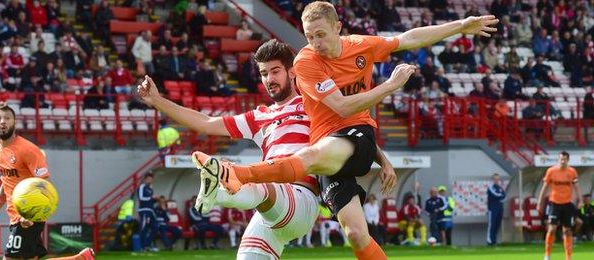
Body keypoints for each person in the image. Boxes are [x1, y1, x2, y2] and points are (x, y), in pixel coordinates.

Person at [190, 2, 497, 258]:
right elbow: (341, 106)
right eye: (310, 36)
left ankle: (237, 175)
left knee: (308, 156)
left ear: (338, 28)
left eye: (321, 34)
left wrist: (461, 25)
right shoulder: (307, 62)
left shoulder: (361, 46)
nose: (315, 43)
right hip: (331, 151)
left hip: (356, 135)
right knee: (355, 233)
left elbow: (409, 38)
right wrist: (390, 86)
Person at [139, 39, 395, 259]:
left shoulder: (316, 104)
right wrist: (158, 101)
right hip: (266, 208)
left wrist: (383, 161)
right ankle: (221, 185)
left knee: (254, 181)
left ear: (292, 72)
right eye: (264, 73)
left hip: (300, 198)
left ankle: (220, 187)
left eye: (275, 71)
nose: (269, 79)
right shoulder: (259, 117)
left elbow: (354, 129)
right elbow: (206, 123)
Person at [0, 102, 94, 259]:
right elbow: (6, 181)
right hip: (16, 216)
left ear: (14, 122)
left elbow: (45, 185)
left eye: (7, 118)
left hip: (28, 216)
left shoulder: (28, 149)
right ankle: (80, 258)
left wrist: (30, 215)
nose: (3, 121)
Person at [536, 151, 584, 260]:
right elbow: (544, 187)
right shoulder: (551, 171)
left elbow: (577, 187)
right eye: (561, 159)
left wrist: (580, 200)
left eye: (565, 159)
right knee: (552, 228)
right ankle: (547, 255)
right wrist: (540, 203)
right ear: (558, 159)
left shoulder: (572, 171)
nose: (562, 161)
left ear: (568, 160)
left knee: (567, 230)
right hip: (554, 203)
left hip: (567, 204)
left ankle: (568, 257)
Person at [138, 172, 159, 251]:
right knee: (143, 228)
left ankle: (148, 244)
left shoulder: (150, 189)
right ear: (145, 179)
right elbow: (141, 198)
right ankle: (142, 247)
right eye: (148, 179)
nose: (150, 180)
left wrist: (156, 199)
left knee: (155, 227)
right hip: (144, 210)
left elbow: (150, 201)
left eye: (151, 179)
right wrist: (151, 197)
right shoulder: (142, 187)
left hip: (151, 210)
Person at [486, 173, 505, 246]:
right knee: (492, 224)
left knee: (497, 224)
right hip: (493, 208)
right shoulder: (491, 187)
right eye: (495, 179)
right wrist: (501, 195)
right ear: (493, 180)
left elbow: (504, 195)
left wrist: (501, 195)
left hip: (500, 208)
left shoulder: (499, 187)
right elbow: (496, 195)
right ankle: (489, 240)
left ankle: (494, 240)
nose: (497, 180)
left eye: (498, 179)